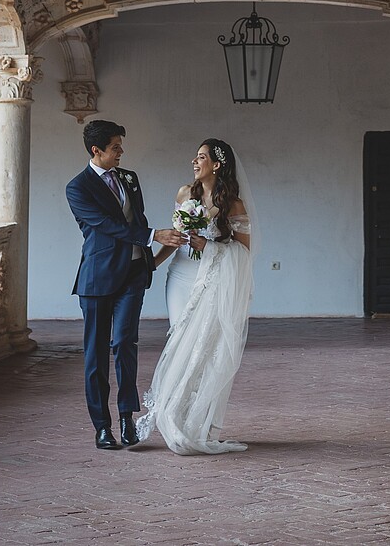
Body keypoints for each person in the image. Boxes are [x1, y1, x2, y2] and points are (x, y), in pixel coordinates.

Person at [66, 119, 188, 450]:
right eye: (116, 147)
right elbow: (105, 226)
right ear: (97, 151)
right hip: (97, 279)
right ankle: (102, 426)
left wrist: (150, 256)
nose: (122, 152)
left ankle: (126, 418)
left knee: (124, 345)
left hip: (133, 275)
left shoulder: (129, 179)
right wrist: (153, 236)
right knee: (95, 356)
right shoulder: (77, 188)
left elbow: (138, 219)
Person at [137, 137, 256, 455]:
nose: (194, 161)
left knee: (202, 345)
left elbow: (244, 251)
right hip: (180, 275)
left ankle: (191, 420)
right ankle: (169, 412)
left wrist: (210, 246)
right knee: (179, 338)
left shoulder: (233, 204)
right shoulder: (183, 194)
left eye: (201, 157)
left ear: (216, 165)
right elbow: (176, 239)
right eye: (195, 156)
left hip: (213, 277)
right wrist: (151, 265)